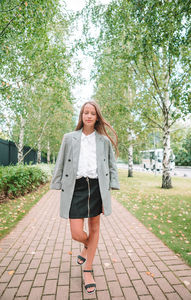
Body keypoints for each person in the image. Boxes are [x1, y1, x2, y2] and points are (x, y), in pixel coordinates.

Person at [50, 101, 119, 294]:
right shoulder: (69, 138)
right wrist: (56, 183)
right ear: (81, 116)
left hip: (97, 187)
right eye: (85, 113)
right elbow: (61, 161)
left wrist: (110, 190)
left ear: (97, 117)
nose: (89, 116)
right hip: (76, 188)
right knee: (76, 233)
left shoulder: (103, 141)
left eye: (93, 113)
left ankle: (87, 269)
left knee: (94, 227)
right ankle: (87, 246)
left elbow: (112, 166)